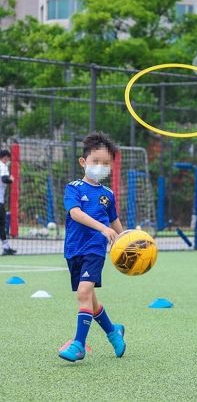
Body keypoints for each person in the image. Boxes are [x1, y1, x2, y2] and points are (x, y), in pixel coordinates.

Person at [59, 132, 126, 362]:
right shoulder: (74, 188)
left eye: (106, 163)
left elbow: (115, 221)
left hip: (95, 250)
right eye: (96, 161)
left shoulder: (108, 195)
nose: (101, 167)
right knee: (91, 300)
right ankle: (113, 330)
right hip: (73, 250)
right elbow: (75, 213)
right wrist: (102, 227)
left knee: (84, 293)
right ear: (83, 162)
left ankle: (79, 344)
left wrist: (125, 238)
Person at [0, 149, 16, 256]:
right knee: (2, 224)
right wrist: (11, 179)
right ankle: (6, 247)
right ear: (5, 157)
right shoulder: (2, 166)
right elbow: (5, 179)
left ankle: (6, 247)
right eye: (8, 158)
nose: (8, 160)